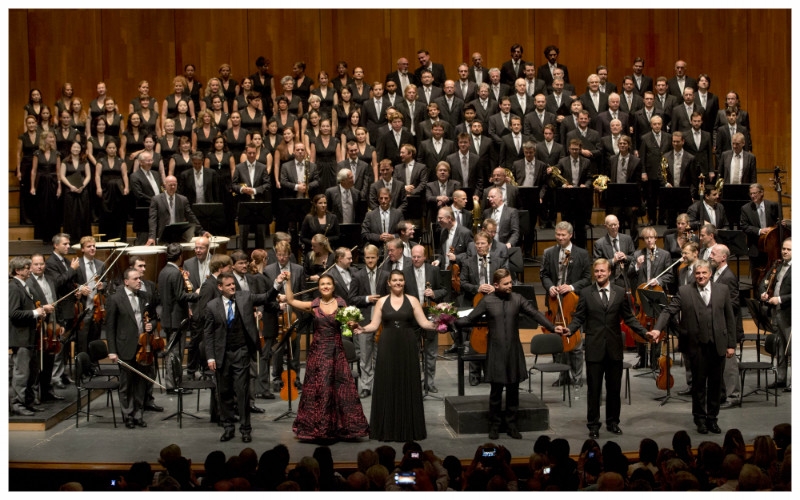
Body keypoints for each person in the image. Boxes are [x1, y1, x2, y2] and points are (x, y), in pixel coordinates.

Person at [458, 268, 556, 439]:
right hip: (495, 351)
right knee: (495, 392)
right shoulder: (487, 301)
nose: (510, 286)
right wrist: (447, 322)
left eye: (511, 282)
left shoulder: (517, 299)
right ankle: (494, 426)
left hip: (513, 350)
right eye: (506, 284)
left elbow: (535, 314)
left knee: (513, 391)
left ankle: (511, 425)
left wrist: (553, 328)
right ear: (496, 285)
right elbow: (470, 319)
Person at [560, 258, 648, 439]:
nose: (599, 274)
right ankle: (593, 425)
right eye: (597, 271)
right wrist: (570, 329)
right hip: (595, 348)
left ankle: (613, 422)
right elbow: (579, 317)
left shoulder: (620, 291)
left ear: (609, 272)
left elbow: (629, 318)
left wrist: (645, 332)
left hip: (614, 349)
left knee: (614, 389)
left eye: (602, 271)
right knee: (594, 390)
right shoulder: (585, 293)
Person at [648, 260, 736, 435]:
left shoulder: (722, 290)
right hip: (696, 347)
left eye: (704, 273)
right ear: (694, 275)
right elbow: (667, 311)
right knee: (698, 385)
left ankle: (712, 418)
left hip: (718, 344)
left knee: (716, 386)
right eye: (697, 273)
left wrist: (731, 344)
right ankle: (700, 419)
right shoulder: (685, 291)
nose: (701, 276)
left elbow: (729, 317)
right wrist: (657, 329)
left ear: (710, 274)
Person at [284, 273, 370, 441]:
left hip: (336, 351)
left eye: (328, 284)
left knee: (341, 389)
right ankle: (320, 428)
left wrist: (352, 324)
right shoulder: (314, 305)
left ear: (333, 286)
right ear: (319, 287)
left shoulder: (341, 303)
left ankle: (343, 428)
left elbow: (348, 327)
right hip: (318, 352)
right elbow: (291, 301)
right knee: (321, 388)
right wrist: (288, 281)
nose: (325, 286)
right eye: (322, 284)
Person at [355, 270, 437, 442]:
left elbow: (424, 323)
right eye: (395, 280)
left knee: (408, 381)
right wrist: (361, 328)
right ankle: (386, 428)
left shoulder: (413, 300)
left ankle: (409, 428)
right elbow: (373, 325)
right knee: (387, 381)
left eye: (401, 280)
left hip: (407, 344)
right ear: (389, 283)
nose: (398, 283)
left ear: (404, 282)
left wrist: (442, 321)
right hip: (387, 344)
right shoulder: (382, 302)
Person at [204, 271, 280, 443]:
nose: (232, 287)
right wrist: (210, 357)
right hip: (222, 354)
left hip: (241, 352)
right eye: (229, 285)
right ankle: (228, 427)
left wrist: (277, 284)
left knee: (242, 391)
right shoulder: (212, 306)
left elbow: (266, 296)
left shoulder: (245, 297)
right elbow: (208, 334)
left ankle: (246, 429)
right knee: (224, 392)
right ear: (220, 287)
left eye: (233, 284)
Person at [540, 221, 592, 386]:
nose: (560, 238)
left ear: (570, 235)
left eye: (563, 235)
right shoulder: (549, 253)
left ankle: (577, 378)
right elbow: (544, 275)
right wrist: (550, 287)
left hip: (574, 301)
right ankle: (563, 377)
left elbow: (587, 278)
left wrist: (570, 287)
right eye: (558, 234)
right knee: (558, 341)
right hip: (555, 301)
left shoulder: (582, 254)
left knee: (575, 343)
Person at [106, 267, 158, 429]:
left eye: (139, 278)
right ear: (126, 282)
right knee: (126, 384)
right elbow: (110, 328)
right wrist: (112, 351)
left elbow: (155, 318)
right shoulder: (115, 299)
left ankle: (138, 414)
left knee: (141, 383)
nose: (139, 281)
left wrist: (151, 325)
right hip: (124, 346)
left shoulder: (145, 296)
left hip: (143, 346)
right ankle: (128, 415)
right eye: (135, 279)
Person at [10, 257, 55, 416]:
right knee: (21, 373)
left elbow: (30, 308)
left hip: (31, 337)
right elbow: (13, 313)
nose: (30, 270)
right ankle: (17, 404)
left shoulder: (24, 286)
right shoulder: (13, 287)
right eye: (27, 268)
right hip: (21, 338)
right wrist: (35, 312)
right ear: (18, 270)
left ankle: (28, 402)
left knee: (31, 372)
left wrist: (42, 309)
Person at [628, 226, 674, 368]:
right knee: (641, 326)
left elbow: (670, 275)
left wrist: (658, 281)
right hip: (641, 295)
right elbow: (629, 274)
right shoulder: (637, 254)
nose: (649, 240)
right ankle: (642, 359)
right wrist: (636, 265)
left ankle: (655, 360)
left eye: (651, 237)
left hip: (657, 294)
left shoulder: (665, 255)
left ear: (655, 238)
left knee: (656, 325)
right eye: (646, 238)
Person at [159, 243, 199, 391]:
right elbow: (180, 296)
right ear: (180, 257)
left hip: (168, 317)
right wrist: (196, 295)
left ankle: (173, 383)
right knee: (175, 354)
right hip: (175, 319)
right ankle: (174, 385)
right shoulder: (175, 273)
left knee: (172, 353)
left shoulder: (163, 271)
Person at [26, 254, 63, 405]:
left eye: (41, 264)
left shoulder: (50, 279)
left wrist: (59, 324)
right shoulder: (28, 282)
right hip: (38, 326)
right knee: (36, 363)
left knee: (49, 359)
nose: (40, 266)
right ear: (31, 266)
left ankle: (47, 391)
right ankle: (34, 393)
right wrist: (42, 308)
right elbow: (28, 306)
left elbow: (56, 303)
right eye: (36, 264)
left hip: (51, 325)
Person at [352, 244, 387, 398]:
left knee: (381, 356)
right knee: (365, 355)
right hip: (365, 321)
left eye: (373, 257)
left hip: (381, 323)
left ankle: (380, 385)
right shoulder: (358, 276)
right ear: (364, 258)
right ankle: (366, 386)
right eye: (367, 258)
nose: (370, 260)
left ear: (377, 258)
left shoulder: (385, 275)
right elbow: (352, 298)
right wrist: (367, 298)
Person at [759, 238, 791, 392]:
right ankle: (781, 379)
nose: (785, 252)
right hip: (775, 312)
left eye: (789, 250)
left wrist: (779, 299)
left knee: (791, 348)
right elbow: (764, 282)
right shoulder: (777, 265)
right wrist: (764, 293)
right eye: (784, 249)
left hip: (789, 313)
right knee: (780, 347)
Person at [146, 175, 207, 246]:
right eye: (170, 185)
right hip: (163, 236)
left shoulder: (183, 199)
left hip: (179, 236)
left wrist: (201, 231)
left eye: (174, 185)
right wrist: (151, 237)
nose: (173, 187)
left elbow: (191, 217)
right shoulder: (156, 200)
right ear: (165, 185)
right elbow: (152, 220)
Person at [30, 131, 63, 244]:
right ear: (44, 139)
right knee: (42, 209)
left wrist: (59, 186)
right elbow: (34, 171)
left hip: (53, 182)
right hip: (41, 183)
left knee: (53, 209)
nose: (53, 139)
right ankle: (42, 236)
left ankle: (54, 237)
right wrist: (32, 186)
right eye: (50, 137)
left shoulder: (57, 153)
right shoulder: (37, 153)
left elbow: (58, 171)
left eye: (53, 137)